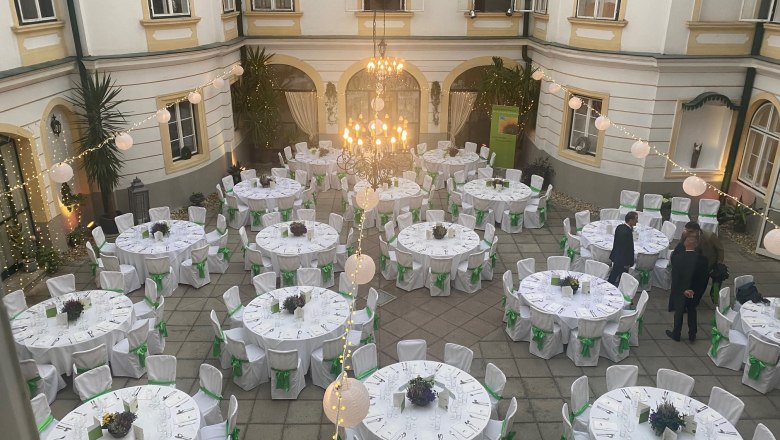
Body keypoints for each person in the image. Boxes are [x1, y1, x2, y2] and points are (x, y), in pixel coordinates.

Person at [666, 234, 709, 342]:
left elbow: (676, 277)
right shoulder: (703, 260)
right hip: (695, 292)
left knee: (679, 312)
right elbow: (703, 278)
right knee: (692, 310)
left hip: (681, 291)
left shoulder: (678, 258)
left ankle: (676, 334)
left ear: (685, 243)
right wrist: (695, 291)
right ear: (696, 245)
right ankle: (692, 334)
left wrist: (684, 290)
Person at [671, 221, 725, 303]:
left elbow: (720, 249)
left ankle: (704, 297)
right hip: (694, 260)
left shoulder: (710, 236)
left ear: (697, 231)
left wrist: (719, 263)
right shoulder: (685, 234)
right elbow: (681, 245)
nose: (687, 233)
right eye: (686, 230)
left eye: (690, 231)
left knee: (703, 282)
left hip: (708, 262)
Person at [607, 211, 637, 285]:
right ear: (631, 220)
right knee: (618, 277)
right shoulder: (627, 233)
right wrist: (630, 262)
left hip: (616, 256)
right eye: (636, 219)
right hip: (622, 260)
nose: (637, 221)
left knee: (614, 275)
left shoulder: (619, 227)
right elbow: (628, 248)